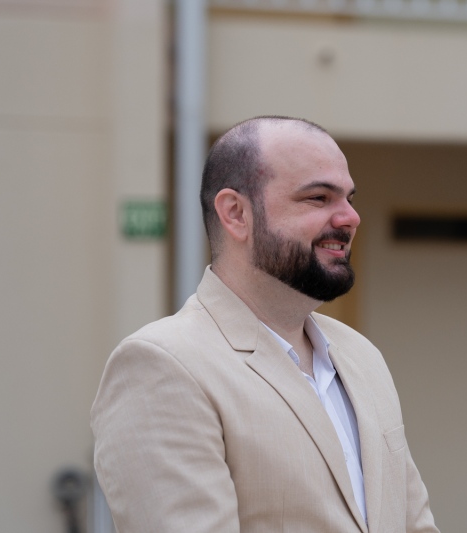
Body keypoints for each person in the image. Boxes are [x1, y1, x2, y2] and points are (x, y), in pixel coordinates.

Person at [91, 116, 439, 532]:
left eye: (349, 198)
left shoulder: (362, 357)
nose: (350, 218)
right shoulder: (162, 366)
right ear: (236, 213)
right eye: (318, 198)